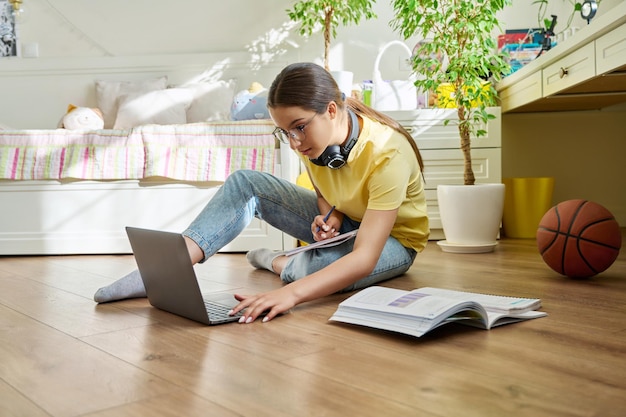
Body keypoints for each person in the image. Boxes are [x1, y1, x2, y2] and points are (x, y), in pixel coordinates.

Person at [94, 62, 429, 323]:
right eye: (285, 132)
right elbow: (326, 188)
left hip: (393, 243)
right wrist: (332, 213)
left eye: (299, 127)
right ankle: (162, 271)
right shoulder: (315, 142)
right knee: (245, 182)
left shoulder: (388, 153)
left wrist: (291, 296)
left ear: (330, 109)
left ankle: (276, 261)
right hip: (349, 227)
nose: (295, 143)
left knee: (308, 274)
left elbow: (365, 256)